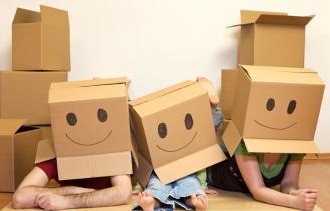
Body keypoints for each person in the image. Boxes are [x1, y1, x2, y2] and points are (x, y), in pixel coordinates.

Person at [200, 76, 319, 211]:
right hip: (217, 168)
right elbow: (257, 190)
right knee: (205, 141)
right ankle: (212, 107)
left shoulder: (295, 144)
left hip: (237, 175)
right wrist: (293, 202)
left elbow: (289, 182)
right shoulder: (246, 141)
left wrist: (294, 193)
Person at [135, 77, 221, 211]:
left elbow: (202, 158)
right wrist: (139, 187)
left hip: (187, 172)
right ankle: (150, 202)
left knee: (191, 186)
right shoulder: (151, 135)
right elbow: (142, 156)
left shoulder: (190, 139)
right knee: (155, 187)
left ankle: (196, 202)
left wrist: (203, 185)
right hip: (159, 174)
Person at [12, 158, 132, 210]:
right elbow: (20, 197)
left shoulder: (112, 153)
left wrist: (66, 202)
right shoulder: (55, 155)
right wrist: (74, 191)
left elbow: (124, 193)